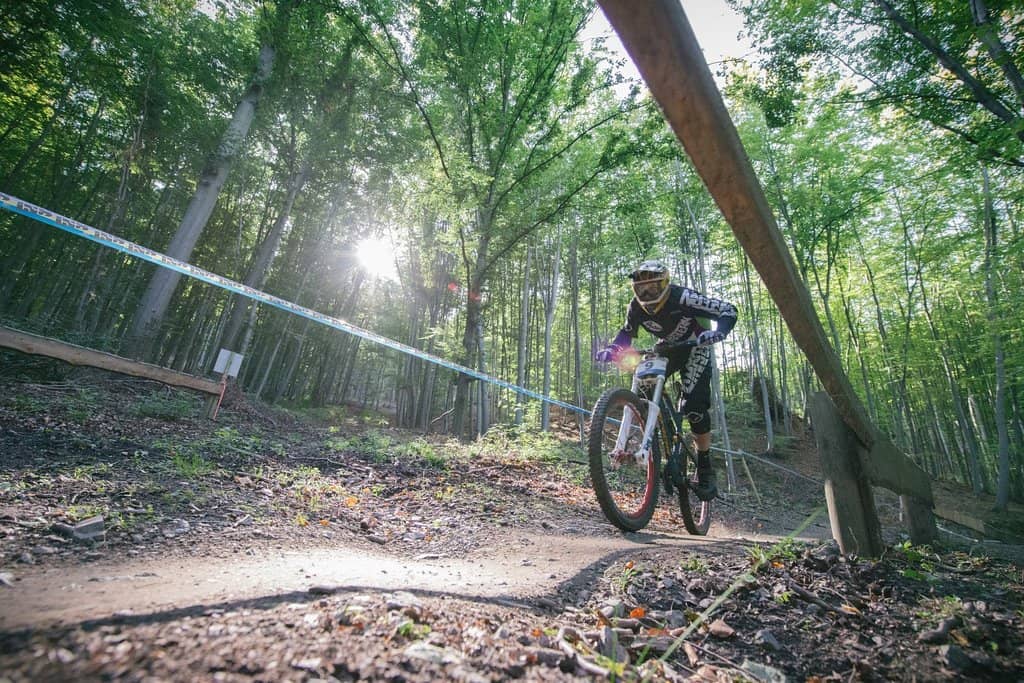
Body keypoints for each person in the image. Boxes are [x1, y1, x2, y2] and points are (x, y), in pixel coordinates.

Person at [596, 260, 737, 501]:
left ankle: (705, 467)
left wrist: (718, 332)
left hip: (695, 346)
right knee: (644, 390)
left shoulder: (683, 298)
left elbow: (728, 310)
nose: (646, 294)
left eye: (652, 287)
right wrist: (613, 349)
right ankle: (659, 433)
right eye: (641, 289)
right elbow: (626, 332)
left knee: (694, 408)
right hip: (668, 347)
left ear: (665, 284)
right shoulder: (636, 307)